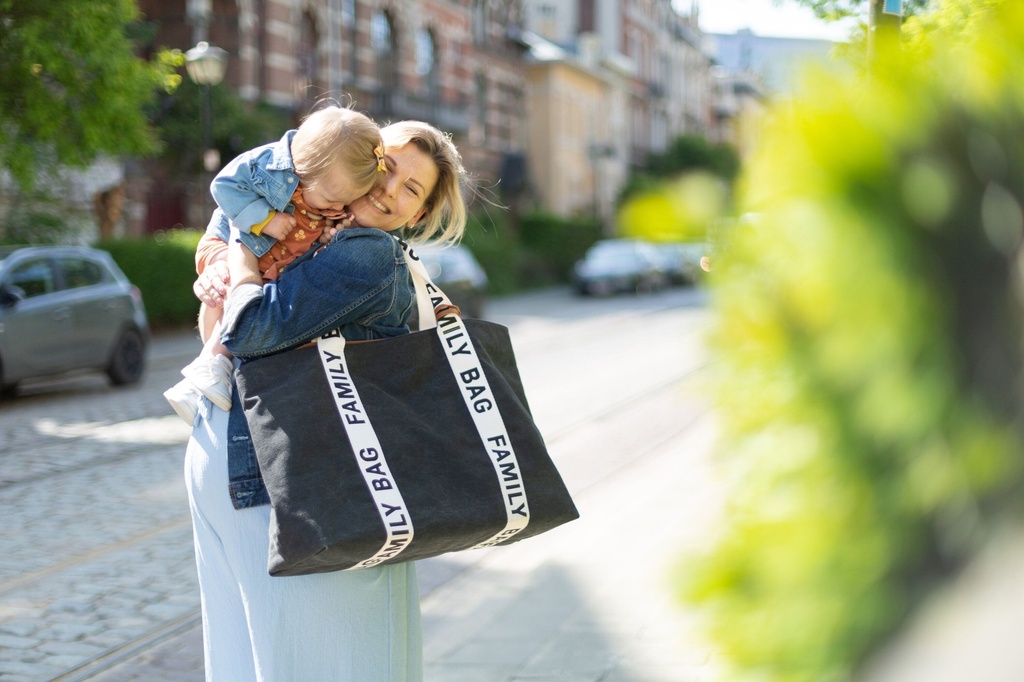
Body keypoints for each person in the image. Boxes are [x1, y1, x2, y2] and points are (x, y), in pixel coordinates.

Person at [185, 120, 468, 682]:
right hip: (307, 485)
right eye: (387, 168)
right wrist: (220, 269)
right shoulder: (312, 227)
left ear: (419, 216)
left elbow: (247, 327)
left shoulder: (365, 254)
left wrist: (236, 258)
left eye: (412, 190)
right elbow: (223, 326)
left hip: (252, 464)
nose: (390, 190)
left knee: (255, 662)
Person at [164, 104, 385, 425]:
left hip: (269, 265)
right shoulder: (269, 167)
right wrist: (264, 218)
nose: (336, 207)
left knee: (246, 307)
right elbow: (223, 187)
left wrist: (328, 231)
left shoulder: (329, 187)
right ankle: (209, 367)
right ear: (301, 168)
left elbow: (317, 224)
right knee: (229, 292)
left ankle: (204, 377)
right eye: (330, 200)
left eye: (345, 202)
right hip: (231, 246)